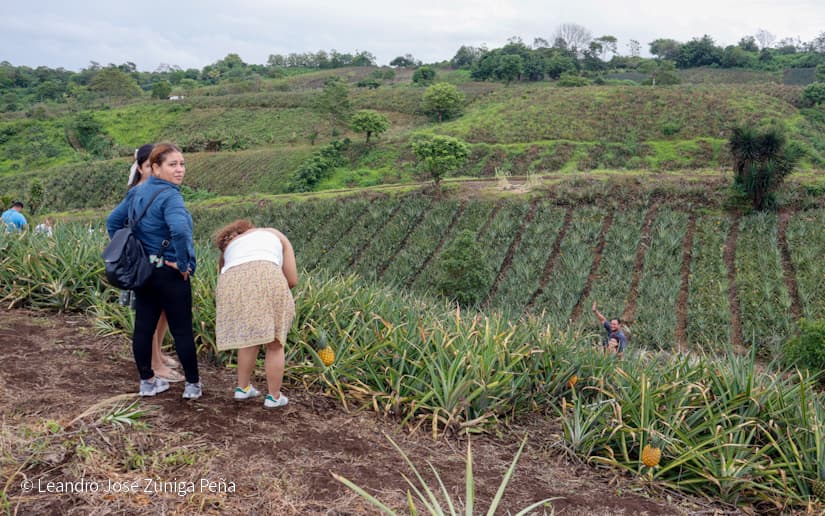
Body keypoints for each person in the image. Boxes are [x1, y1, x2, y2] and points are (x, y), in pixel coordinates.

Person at [106, 143, 201, 399]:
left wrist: (133, 253)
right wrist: (183, 264)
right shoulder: (171, 196)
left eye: (182, 164)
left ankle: (147, 382)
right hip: (170, 272)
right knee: (181, 329)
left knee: (143, 328)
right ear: (156, 168)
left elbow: (113, 222)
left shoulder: (137, 192)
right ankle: (192, 386)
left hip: (145, 273)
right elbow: (180, 231)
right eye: (172, 164)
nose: (179, 169)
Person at [213, 219, 297, 409]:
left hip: (230, 285)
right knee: (275, 343)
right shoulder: (274, 233)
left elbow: (224, 274)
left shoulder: (230, 247)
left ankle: (242, 388)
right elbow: (292, 279)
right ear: (248, 228)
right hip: (267, 275)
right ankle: (274, 397)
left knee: (248, 337)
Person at [120, 144, 183, 383]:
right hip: (146, 265)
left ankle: (158, 356)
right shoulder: (138, 193)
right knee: (149, 317)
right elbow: (115, 222)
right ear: (142, 168)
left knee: (162, 311)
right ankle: (154, 365)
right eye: (148, 166)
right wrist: (133, 250)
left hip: (161, 263)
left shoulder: (159, 192)